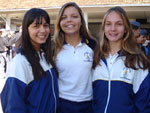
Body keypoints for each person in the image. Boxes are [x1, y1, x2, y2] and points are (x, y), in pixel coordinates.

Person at [92, 6, 150, 113]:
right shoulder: (95, 59)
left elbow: (143, 104)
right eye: (108, 24)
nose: (113, 28)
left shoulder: (137, 62)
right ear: (104, 28)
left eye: (118, 24)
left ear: (126, 29)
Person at [0, 8, 58, 113]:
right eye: (36, 26)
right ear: (27, 29)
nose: (43, 30)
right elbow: (13, 107)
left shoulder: (45, 57)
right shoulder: (19, 63)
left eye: (45, 25)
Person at [53, 2, 96, 113]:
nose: (69, 20)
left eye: (74, 16)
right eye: (64, 17)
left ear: (81, 21)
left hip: (88, 105)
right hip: (62, 104)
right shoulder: (53, 47)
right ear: (59, 22)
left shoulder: (93, 46)